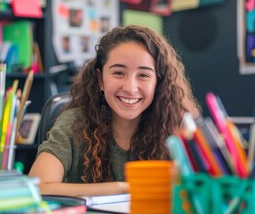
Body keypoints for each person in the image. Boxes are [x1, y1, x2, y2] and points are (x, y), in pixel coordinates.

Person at [29, 25, 200, 196]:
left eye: (143, 75)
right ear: (100, 80)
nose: (130, 88)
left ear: (158, 83)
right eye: (118, 73)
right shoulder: (74, 123)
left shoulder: (175, 127)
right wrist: (123, 188)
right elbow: (38, 187)